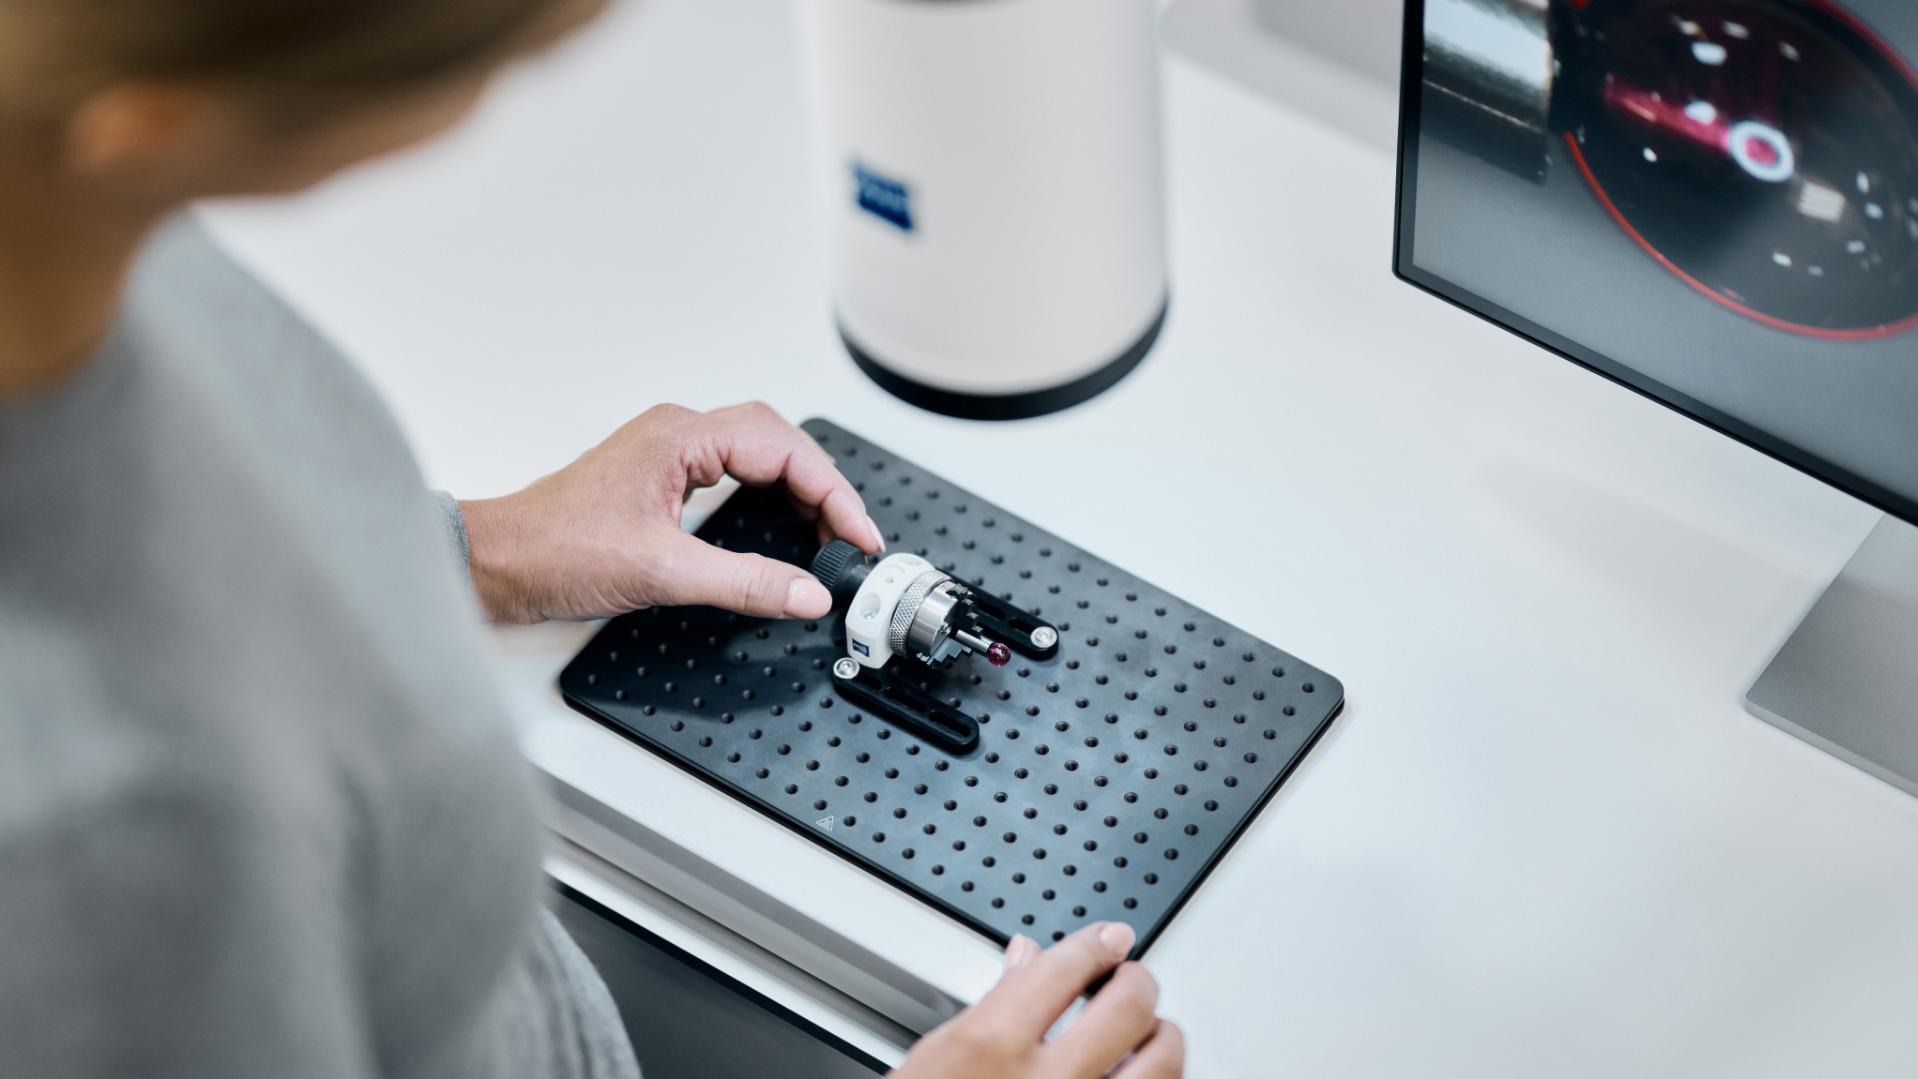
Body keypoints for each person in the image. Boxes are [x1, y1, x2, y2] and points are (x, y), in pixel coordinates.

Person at [0, 1, 1188, 1077]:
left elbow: (182, 523)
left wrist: (472, 546)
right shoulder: (110, 859)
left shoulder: (55, 196)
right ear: (164, 126)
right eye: (502, 57)